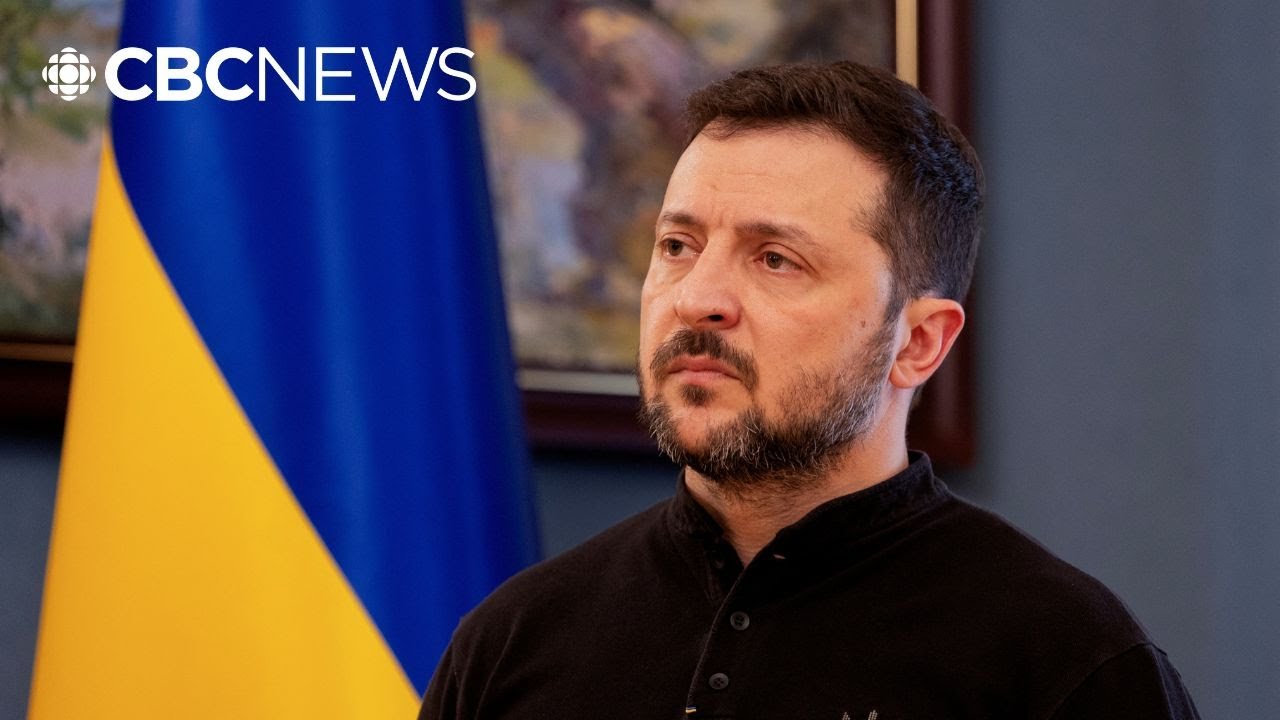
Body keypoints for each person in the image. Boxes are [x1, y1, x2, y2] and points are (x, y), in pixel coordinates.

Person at [420, 61, 1200, 719]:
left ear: (918, 343)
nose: (697, 298)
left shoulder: (1068, 665)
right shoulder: (511, 642)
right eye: (678, 245)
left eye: (775, 259)